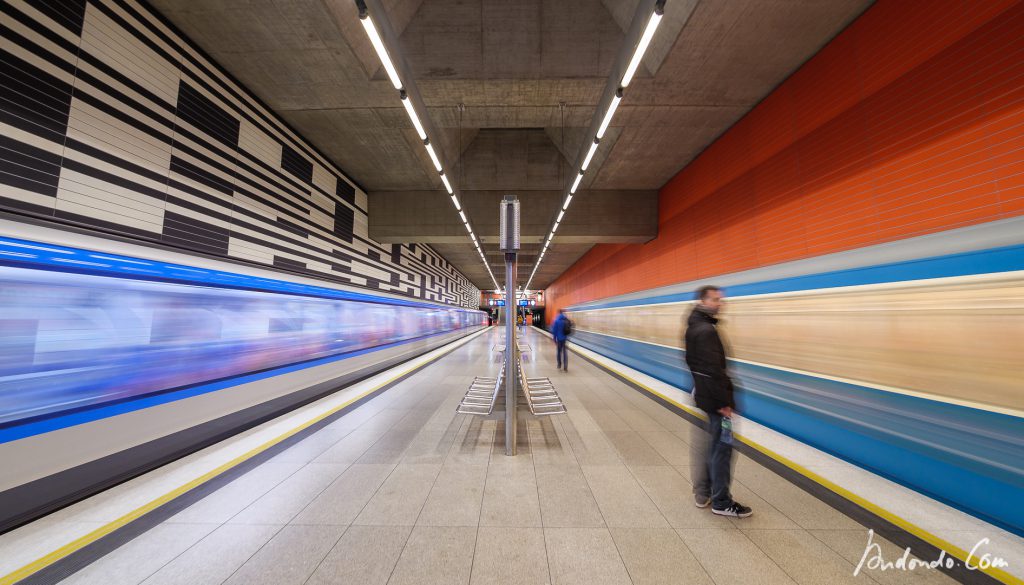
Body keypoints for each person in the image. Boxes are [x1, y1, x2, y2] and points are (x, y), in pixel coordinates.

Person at [686, 285, 752, 518]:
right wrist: (725, 403)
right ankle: (722, 501)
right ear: (703, 301)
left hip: (706, 396)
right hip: (716, 400)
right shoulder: (706, 331)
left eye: (721, 300)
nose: (720, 304)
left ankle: (703, 492)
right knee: (722, 449)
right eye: (715, 300)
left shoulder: (694, 325)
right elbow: (713, 371)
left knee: (712, 445)